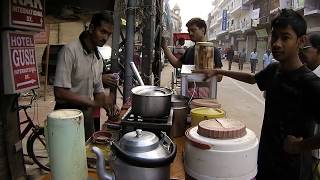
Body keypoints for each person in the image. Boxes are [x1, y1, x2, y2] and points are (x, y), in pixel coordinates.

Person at [197, 9, 320, 180]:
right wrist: (219, 71)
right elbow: (252, 79)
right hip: (266, 159)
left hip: (293, 169)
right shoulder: (274, 70)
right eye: (274, 36)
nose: (277, 43)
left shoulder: (311, 83)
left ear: (301, 41)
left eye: (285, 38)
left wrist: (301, 146)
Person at [54, 13, 117, 140]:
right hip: (65, 115)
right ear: (92, 28)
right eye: (103, 31)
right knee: (68, 157)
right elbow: (59, 92)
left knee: (88, 154)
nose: (105, 38)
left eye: (109, 34)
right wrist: (93, 102)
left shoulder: (97, 58)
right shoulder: (70, 51)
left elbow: (98, 89)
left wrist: (107, 104)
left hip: (86, 116)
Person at [299, 33, 320, 180]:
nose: (301, 52)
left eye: (305, 48)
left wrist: (297, 146)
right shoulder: (299, 73)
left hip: (315, 156)